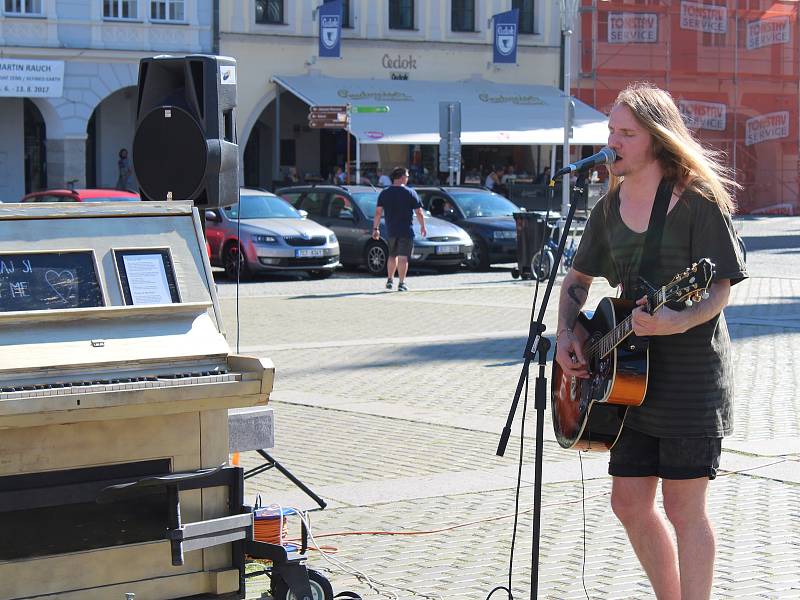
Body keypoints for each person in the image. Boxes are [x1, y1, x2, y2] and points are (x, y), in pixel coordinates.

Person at [555, 82, 746, 600]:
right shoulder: (607, 206)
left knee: (686, 509)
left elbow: (721, 288)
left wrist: (677, 322)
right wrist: (566, 332)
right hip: (626, 381)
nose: (612, 141)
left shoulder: (697, 203)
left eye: (626, 133)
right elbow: (575, 284)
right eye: (610, 130)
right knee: (629, 503)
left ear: (656, 140)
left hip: (689, 381)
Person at [371, 166, 426, 292]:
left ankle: (390, 280)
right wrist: (423, 226)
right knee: (403, 258)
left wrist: (376, 228)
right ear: (401, 178)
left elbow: (378, 212)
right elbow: (419, 212)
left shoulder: (384, 193)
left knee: (392, 256)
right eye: (407, 176)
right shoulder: (410, 192)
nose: (407, 179)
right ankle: (401, 283)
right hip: (406, 230)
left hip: (391, 230)